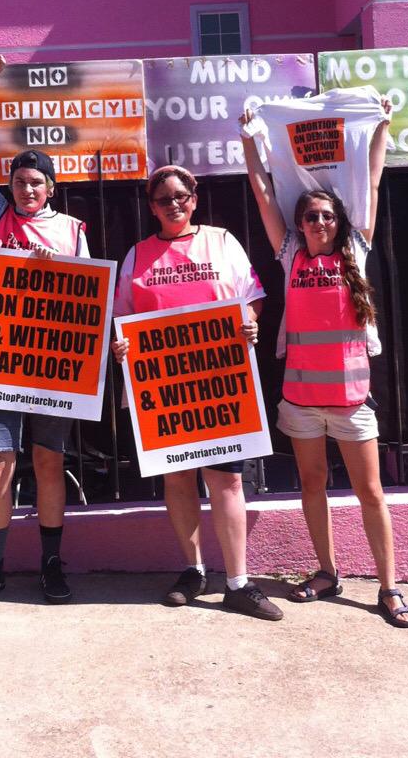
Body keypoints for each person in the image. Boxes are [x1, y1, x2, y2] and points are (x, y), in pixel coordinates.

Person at [240, 103, 408, 628]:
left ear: (339, 222)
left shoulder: (354, 251)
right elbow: (262, 190)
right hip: (299, 399)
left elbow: (375, 182)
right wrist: (249, 137)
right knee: (311, 485)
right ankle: (326, 571)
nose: (318, 222)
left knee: (370, 492)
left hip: (351, 401)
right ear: (299, 224)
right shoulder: (290, 252)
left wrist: (383, 125)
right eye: (310, 216)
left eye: (326, 216)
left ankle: (388, 587)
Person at [112, 165, 283, 621]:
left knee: (226, 479)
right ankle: (193, 571)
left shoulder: (222, 241)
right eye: (163, 199)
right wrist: (121, 344)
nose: (174, 204)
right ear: (151, 207)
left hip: (220, 382)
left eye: (180, 196)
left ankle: (238, 583)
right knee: (178, 479)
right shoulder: (137, 255)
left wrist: (250, 321)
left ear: (194, 198)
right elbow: (121, 318)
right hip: (165, 390)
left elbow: (253, 296)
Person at [0, 53, 89, 609]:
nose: (26, 190)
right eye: (19, 181)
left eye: (36, 183)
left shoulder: (71, 231)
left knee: (47, 463)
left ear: (52, 189)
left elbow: (90, 301)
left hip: (55, 364)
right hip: (1, 362)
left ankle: (52, 564)